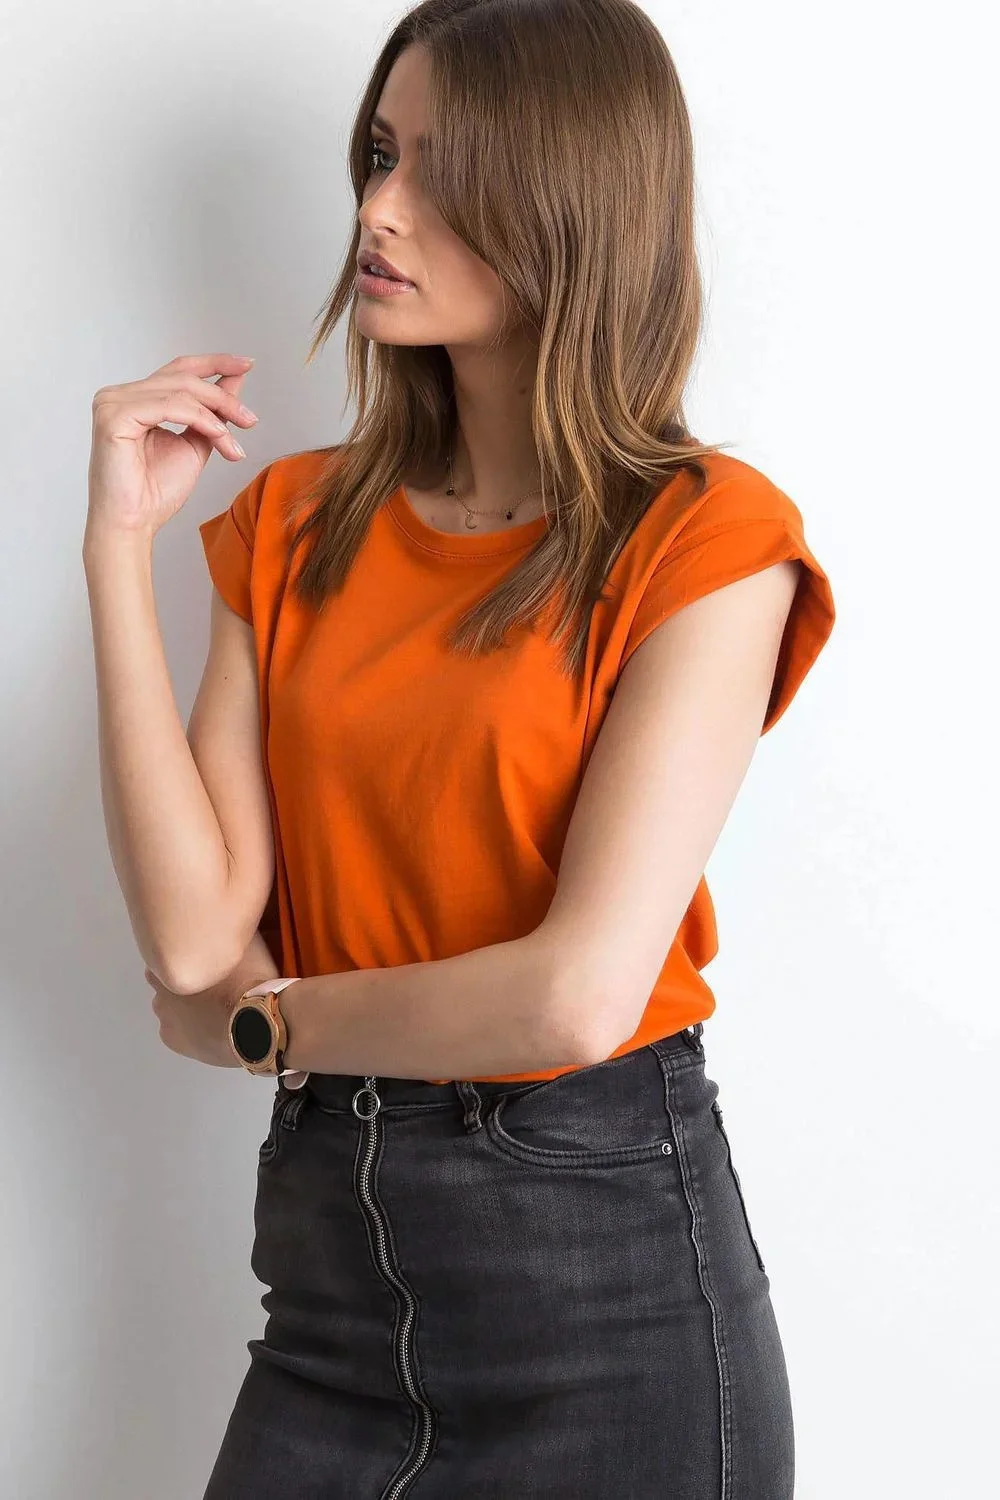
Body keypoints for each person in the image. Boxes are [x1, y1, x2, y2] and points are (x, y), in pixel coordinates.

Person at [83, 2, 836, 1495]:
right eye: (381, 154)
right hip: (328, 1298)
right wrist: (116, 548)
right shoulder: (296, 521)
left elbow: (573, 996)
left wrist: (271, 1029)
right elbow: (192, 940)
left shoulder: (705, 540)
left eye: (444, 172)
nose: (379, 209)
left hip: (604, 1294)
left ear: (572, 207)